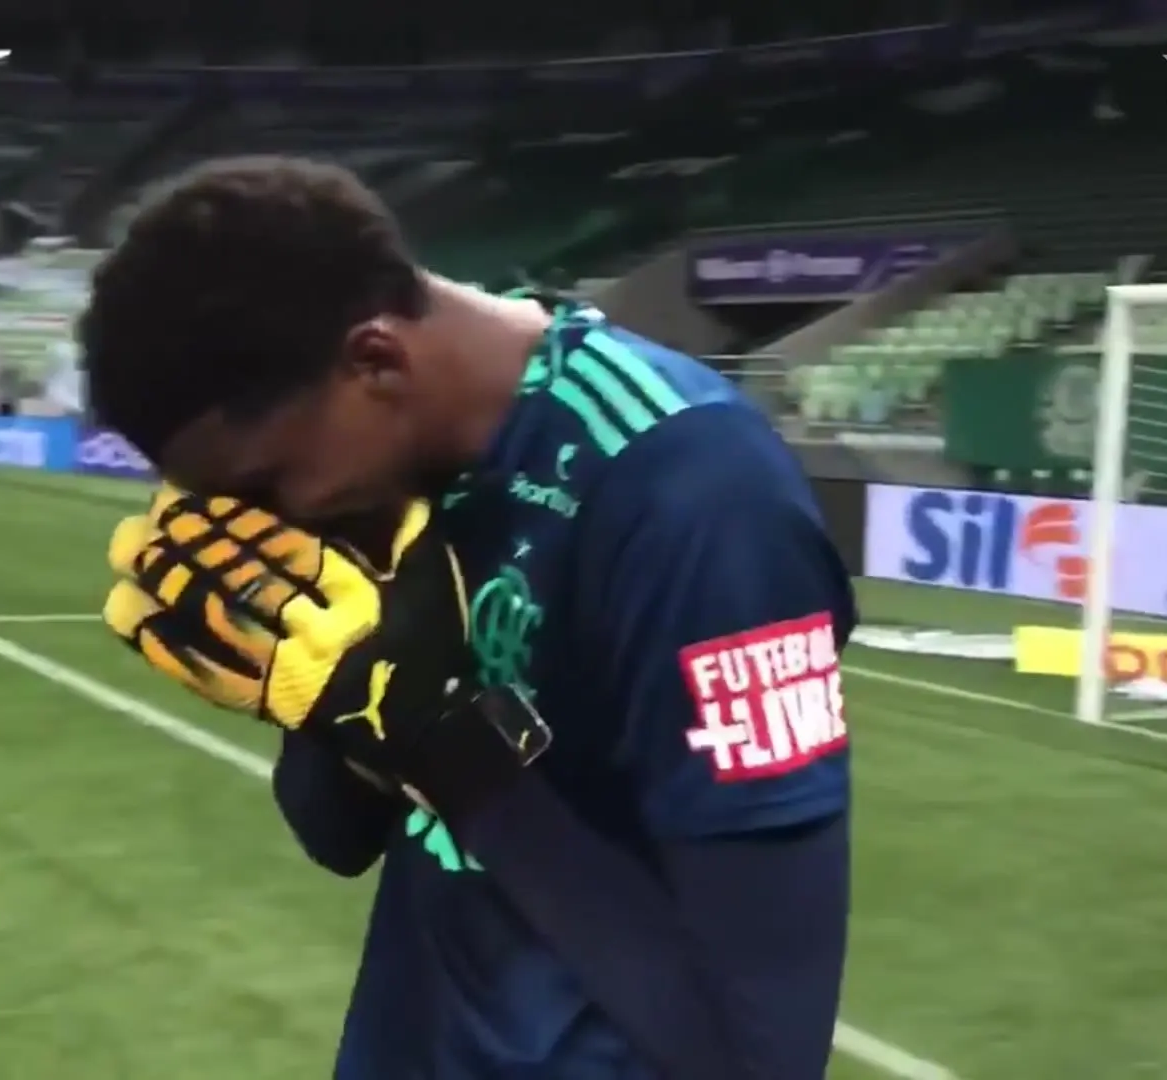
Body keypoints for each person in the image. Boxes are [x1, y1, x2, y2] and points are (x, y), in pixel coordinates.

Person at [80, 156, 854, 1080]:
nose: (269, 521)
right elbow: (335, 834)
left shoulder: (698, 496)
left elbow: (759, 1052)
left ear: (376, 359)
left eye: (266, 485)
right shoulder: (390, 478)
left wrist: (448, 750)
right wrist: (331, 692)